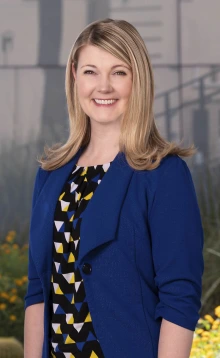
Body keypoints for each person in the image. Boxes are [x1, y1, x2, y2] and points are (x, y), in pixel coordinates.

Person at [24, 18, 204, 358]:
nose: (103, 87)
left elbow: (179, 296)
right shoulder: (50, 176)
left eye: (118, 72)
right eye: (91, 71)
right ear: (75, 75)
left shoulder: (164, 175)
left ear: (138, 79)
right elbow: (38, 290)